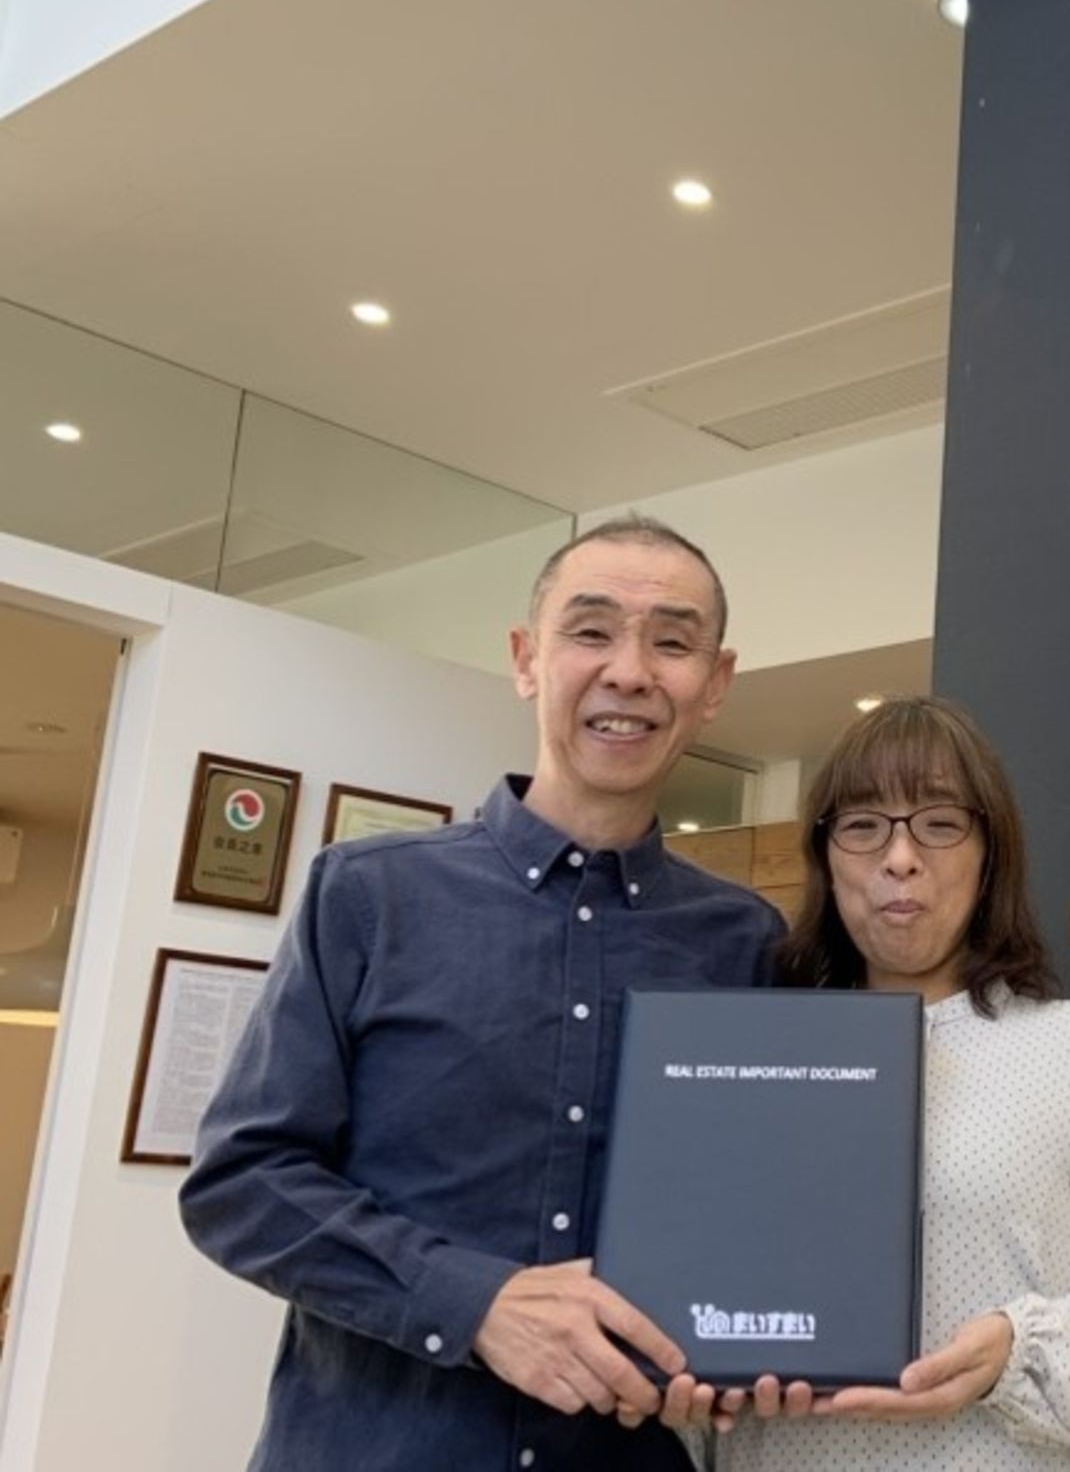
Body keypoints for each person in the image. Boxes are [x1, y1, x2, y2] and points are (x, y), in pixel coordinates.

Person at [181, 514, 777, 1471]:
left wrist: (764, 1340)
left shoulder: (745, 941)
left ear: (715, 683)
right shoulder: (368, 894)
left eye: (673, 642)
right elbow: (241, 1184)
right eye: (591, 631)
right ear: (526, 659)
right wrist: (475, 1302)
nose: (630, 671)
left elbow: (753, 1211)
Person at [675, 695, 1070, 1470]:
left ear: (990, 851)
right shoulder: (756, 1053)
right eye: (864, 824)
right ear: (827, 856)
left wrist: (1016, 1348)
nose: (900, 857)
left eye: (938, 822)